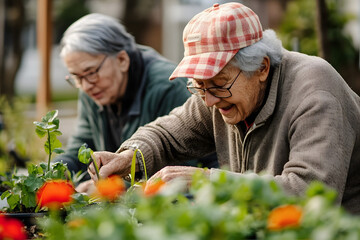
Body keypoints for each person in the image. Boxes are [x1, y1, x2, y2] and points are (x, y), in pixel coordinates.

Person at [88, 3, 360, 214]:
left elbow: (309, 194)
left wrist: (208, 180)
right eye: (199, 85)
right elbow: (168, 134)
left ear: (262, 68)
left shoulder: (315, 93)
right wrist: (128, 157)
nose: (208, 101)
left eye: (218, 84)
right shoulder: (218, 91)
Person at [54, 13, 218, 192]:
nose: (85, 86)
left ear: (122, 60)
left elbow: (178, 170)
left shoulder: (168, 86)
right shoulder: (93, 87)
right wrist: (53, 174)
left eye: (91, 72)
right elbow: (81, 146)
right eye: (77, 77)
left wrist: (110, 189)